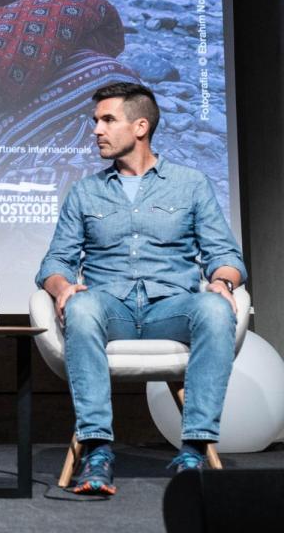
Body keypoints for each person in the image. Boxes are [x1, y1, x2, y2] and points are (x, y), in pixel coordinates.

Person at [36, 82, 246, 495]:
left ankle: (193, 449)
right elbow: (55, 262)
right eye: (96, 120)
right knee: (81, 307)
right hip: (110, 308)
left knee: (216, 309)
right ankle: (97, 451)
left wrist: (222, 281)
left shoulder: (190, 184)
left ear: (140, 126)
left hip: (170, 309)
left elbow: (225, 255)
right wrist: (61, 287)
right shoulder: (85, 191)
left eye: (107, 120)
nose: (96, 129)